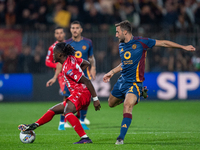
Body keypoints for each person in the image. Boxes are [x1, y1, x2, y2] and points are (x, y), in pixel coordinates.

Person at [103, 20, 195, 145]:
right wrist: (112, 72)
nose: (116, 35)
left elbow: (163, 43)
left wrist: (183, 47)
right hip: (122, 82)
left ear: (125, 32)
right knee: (110, 104)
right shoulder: (121, 45)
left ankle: (120, 138)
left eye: (117, 32)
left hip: (134, 83)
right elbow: (124, 63)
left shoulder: (142, 42)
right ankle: (135, 96)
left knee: (127, 105)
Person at [18, 43, 101, 144]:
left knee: (67, 112)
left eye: (54, 53)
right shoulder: (71, 58)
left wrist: (95, 99)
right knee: (53, 110)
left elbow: (87, 81)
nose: (53, 55)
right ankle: (35, 125)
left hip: (81, 93)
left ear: (60, 55)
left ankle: (85, 138)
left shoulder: (69, 69)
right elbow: (86, 63)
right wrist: (79, 73)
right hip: (78, 93)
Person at [65, 21, 96, 130]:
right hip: (71, 75)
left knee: (86, 96)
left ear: (81, 30)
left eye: (77, 28)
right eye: (73, 28)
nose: (75, 30)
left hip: (84, 74)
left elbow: (91, 57)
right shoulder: (67, 43)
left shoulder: (88, 42)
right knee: (68, 96)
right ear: (70, 30)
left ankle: (82, 119)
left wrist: (93, 68)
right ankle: (66, 119)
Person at [45, 26, 71, 130]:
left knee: (71, 97)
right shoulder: (52, 48)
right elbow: (47, 61)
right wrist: (58, 66)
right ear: (55, 35)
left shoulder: (68, 45)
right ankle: (62, 122)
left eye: (61, 32)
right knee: (67, 97)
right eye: (57, 33)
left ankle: (66, 120)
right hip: (61, 75)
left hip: (71, 73)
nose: (59, 34)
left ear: (64, 34)